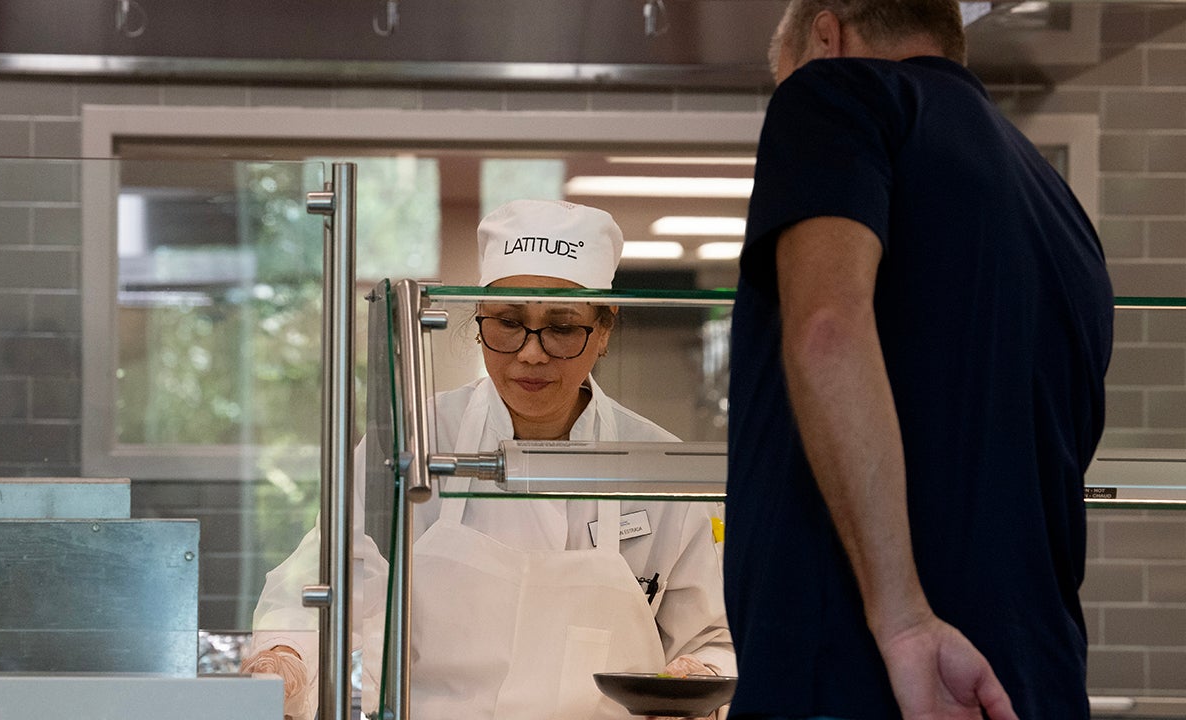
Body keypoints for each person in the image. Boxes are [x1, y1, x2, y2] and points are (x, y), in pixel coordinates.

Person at [722, 2, 1114, 719]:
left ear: (827, 35)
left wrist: (902, 620)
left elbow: (828, 330)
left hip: (871, 681)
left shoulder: (841, 92)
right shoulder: (1060, 208)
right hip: (1027, 683)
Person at [243, 199, 735, 720]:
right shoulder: (415, 442)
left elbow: (713, 636)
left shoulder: (656, 463)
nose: (531, 353)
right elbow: (327, 578)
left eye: (562, 327)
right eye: (507, 321)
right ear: (478, 319)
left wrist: (699, 677)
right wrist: (286, 657)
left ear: (606, 328)